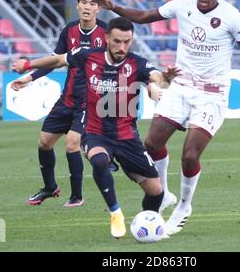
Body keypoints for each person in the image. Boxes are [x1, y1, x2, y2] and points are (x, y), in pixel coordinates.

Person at [92, 0, 240, 235]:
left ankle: (184, 206)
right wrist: (114, 7)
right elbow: (143, 16)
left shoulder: (232, 17)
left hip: (211, 94)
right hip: (179, 86)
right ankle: (164, 193)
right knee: (152, 143)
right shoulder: (182, 6)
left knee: (190, 156)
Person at [13, 17, 180, 238]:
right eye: (117, 41)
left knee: (155, 192)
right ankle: (115, 213)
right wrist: (28, 67)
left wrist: (163, 81)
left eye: (127, 42)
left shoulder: (136, 63)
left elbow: (155, 77)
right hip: (96, 132)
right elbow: (57, 60)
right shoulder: (88, 56)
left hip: (127, 136)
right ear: (107, 38)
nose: (122, 47)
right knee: (99, 160)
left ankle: (147, 224)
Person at [11, 0, 114, 208]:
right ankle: (50, 188)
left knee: (71, 143)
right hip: (66, 98)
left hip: (89, 102)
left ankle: (77, 195)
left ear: (99, 8)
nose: (87, 7)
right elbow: (54, 60)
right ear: (77, 5)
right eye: (84, 2)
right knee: (44, 143)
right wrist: (28, 79)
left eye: (92, 3)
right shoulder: (69, 31)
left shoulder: (106, 34)